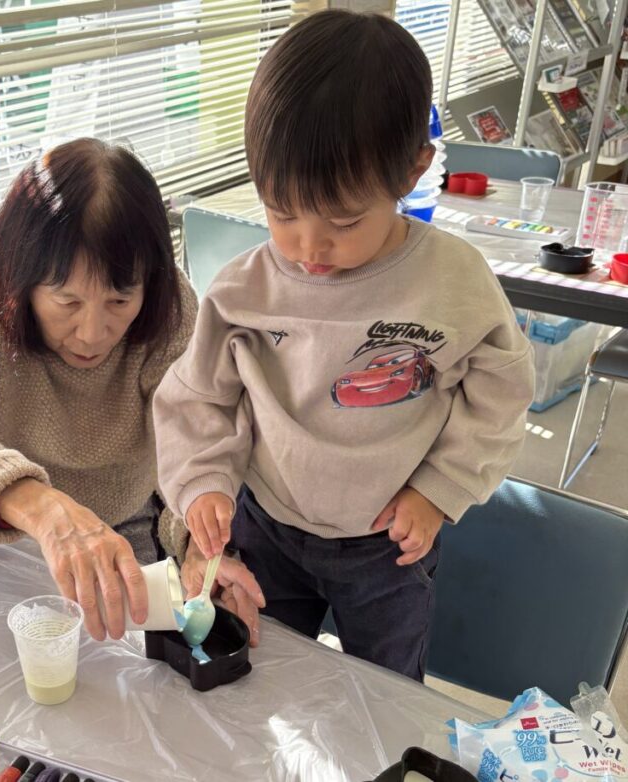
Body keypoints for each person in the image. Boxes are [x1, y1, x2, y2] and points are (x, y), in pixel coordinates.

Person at [153, 10, 534, 680]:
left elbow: (501, 394)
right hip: (268, 526)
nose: (308, 246)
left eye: (344, 220)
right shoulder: (245, 290)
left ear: (413, 170)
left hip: (388, 544)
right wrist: (203, 484)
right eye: (281, 212)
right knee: (260, 679)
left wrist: (440, 489)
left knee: (385, 695)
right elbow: (197, 400)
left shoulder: (453, 282)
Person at [0, 138, 265, 642]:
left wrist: (198, 546)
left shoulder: (170, 310)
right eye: (67, 302)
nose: (92, 333)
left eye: (119, 301)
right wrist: (43, 509)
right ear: (21, 276)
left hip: (124, 531)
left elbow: (191, 438)